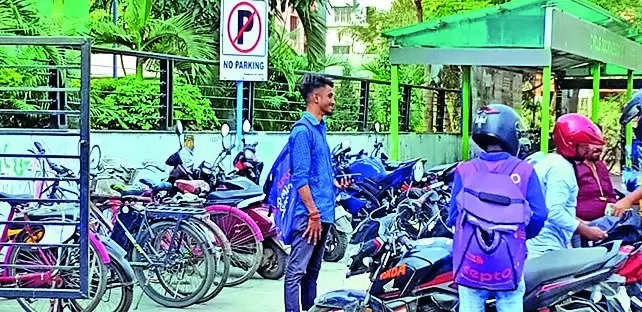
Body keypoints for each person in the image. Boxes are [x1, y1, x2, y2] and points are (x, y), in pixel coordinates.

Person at [448, 104, 548, 312]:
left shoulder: (464, 170)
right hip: (509, 263)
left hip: (470, 264)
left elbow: (453, 217)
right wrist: (520, 234)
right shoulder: (525, 170)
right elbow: (540, 215)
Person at [284, 74, 350, 312]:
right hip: (310, 216)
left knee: (312, 272)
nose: (333, 100)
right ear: (315, 97)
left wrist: (335, 184)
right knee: (296, 271)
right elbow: (300, 179)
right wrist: (313, 215)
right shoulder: (302, 132)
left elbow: (316, 174)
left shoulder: (320, 128)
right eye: (330, 96)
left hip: (324, 213)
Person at [527, 114, 608, 259]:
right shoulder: (561, 168)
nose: (589, 149)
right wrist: (585, 230)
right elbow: (554, 211)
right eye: (585, 145)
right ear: (571, 144)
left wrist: (586, 224)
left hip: (542, 243)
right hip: (544, 248)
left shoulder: (552, 161)